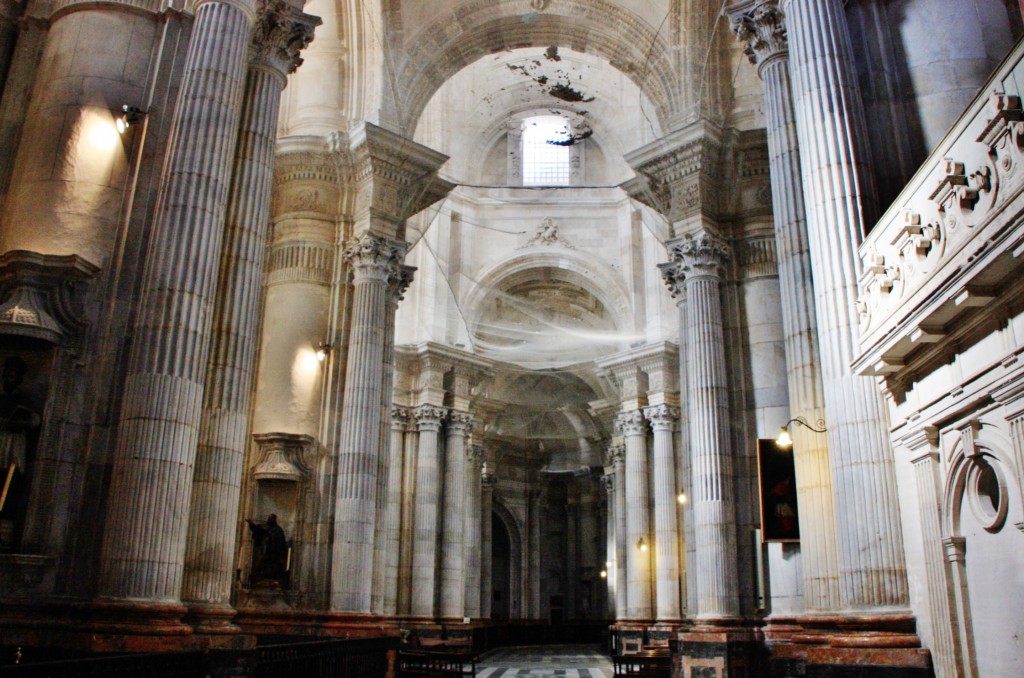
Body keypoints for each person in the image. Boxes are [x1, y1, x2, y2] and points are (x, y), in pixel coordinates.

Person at [246, 513, 289, 587]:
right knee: (262, 567)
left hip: (274, 554)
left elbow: (281, 543)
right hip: (267, 552)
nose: (269, 520)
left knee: (272, 568)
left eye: (270, 518)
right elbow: (260, 530)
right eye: (269, 518)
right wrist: (251, 523)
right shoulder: (267, 528)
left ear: (274, 520)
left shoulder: (278, 530)